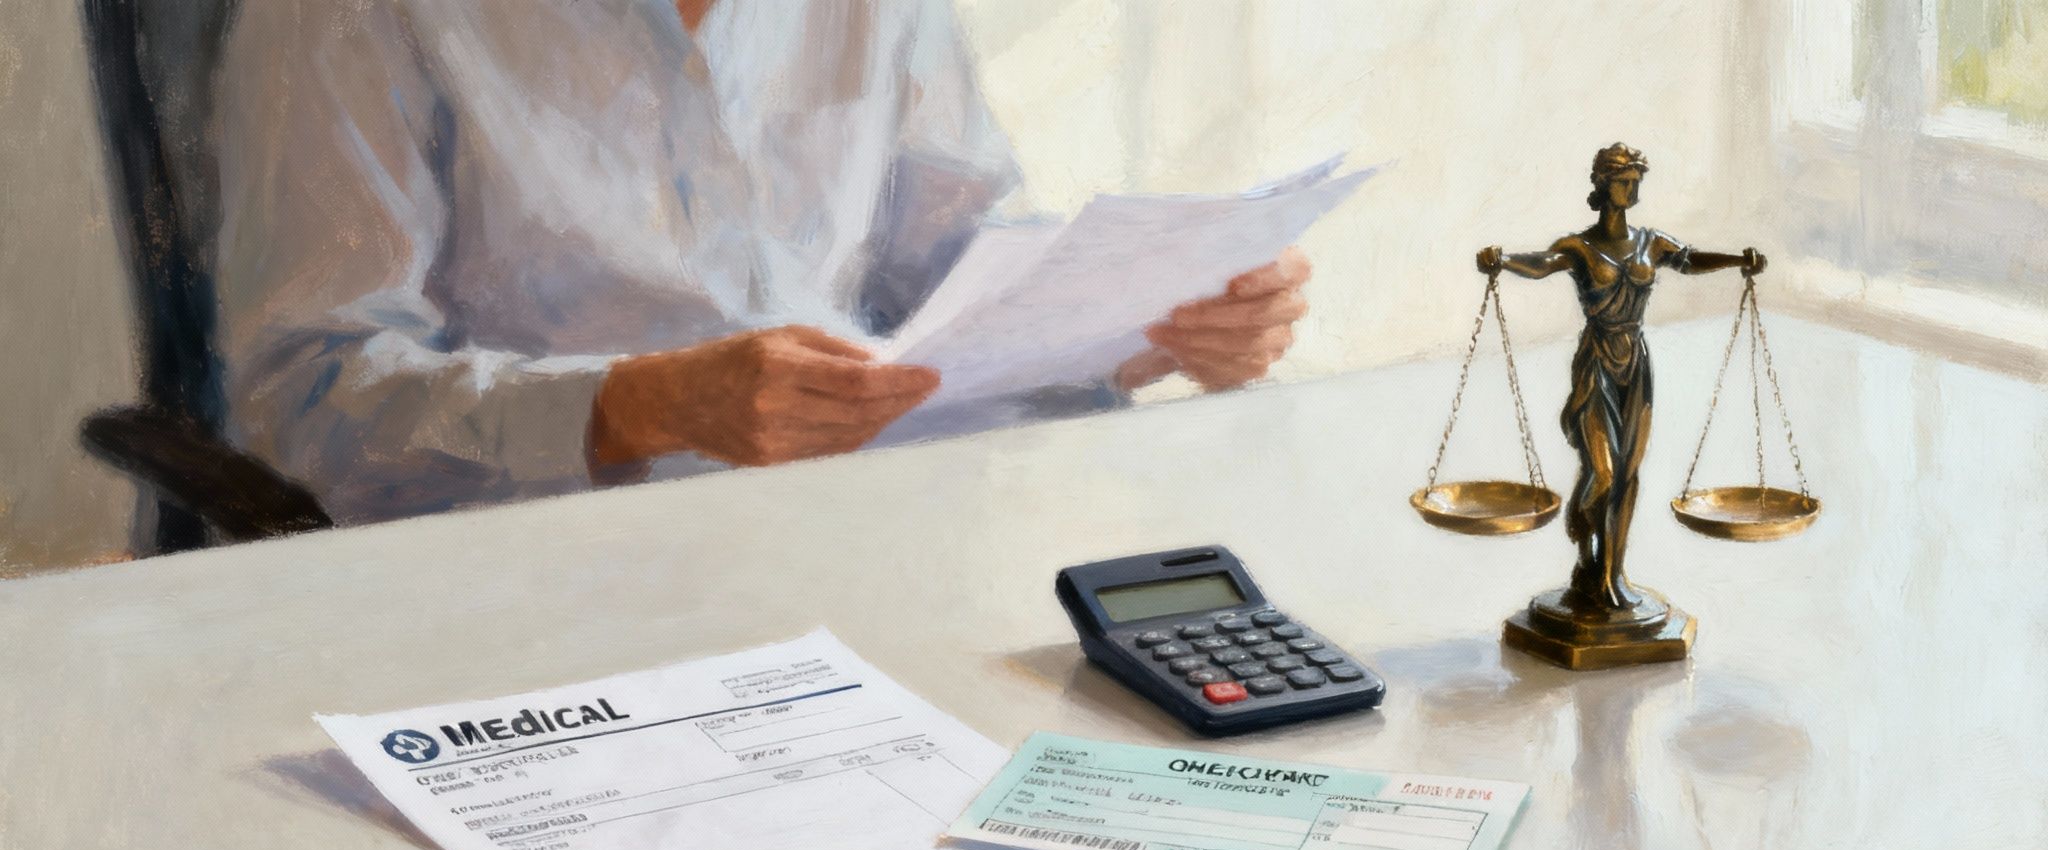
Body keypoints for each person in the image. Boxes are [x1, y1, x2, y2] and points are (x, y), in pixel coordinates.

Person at [212, 0, 1313, 523]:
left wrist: (1146, 323)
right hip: (538, 564)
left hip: (858, 529)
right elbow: (311, 392)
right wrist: (640, 407)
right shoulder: (349, 14)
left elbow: (958, 275)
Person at [1477, 143, 1764, 614]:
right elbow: (1543, 264)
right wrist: (1502, 261)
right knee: (1603, 473)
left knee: (1628, 473)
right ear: (1602, 184)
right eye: (1624, 180)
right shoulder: (1579, 247)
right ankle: (1582, 532)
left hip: (1637, 365)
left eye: (1636, 181)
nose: (1632, 189)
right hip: (1596, 364)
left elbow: (1689, 259)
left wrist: (1739, 261)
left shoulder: (1651, 242)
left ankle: (1611, 572)